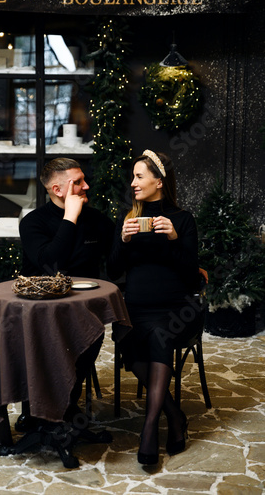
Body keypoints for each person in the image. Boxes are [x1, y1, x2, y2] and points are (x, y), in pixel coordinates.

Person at [108, 149, 202, 465]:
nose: (133, 183)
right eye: (133, 177)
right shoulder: (130, 219)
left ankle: (150, 429)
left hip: (176, 309)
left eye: (139, 176)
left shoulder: (183, 220)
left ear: (158, 182)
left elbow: (192, 277)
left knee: (160, 335)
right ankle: (174, 415)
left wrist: (174, 239)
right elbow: (112, 272)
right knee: (124, 332)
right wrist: (122, 239)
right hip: (136, 308)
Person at [16, 157, 115, 430]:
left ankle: (64, 407)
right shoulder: (33, 223)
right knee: (39, 342)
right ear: (58, 190)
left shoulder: (99, 222)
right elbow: (51, 265)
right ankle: (38, 406)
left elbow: (116, 267)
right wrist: (70, 217)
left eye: (85, 179)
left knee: (88, 333)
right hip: (41, 309)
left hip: (82, 310)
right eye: (79, 182)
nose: (87, 186)